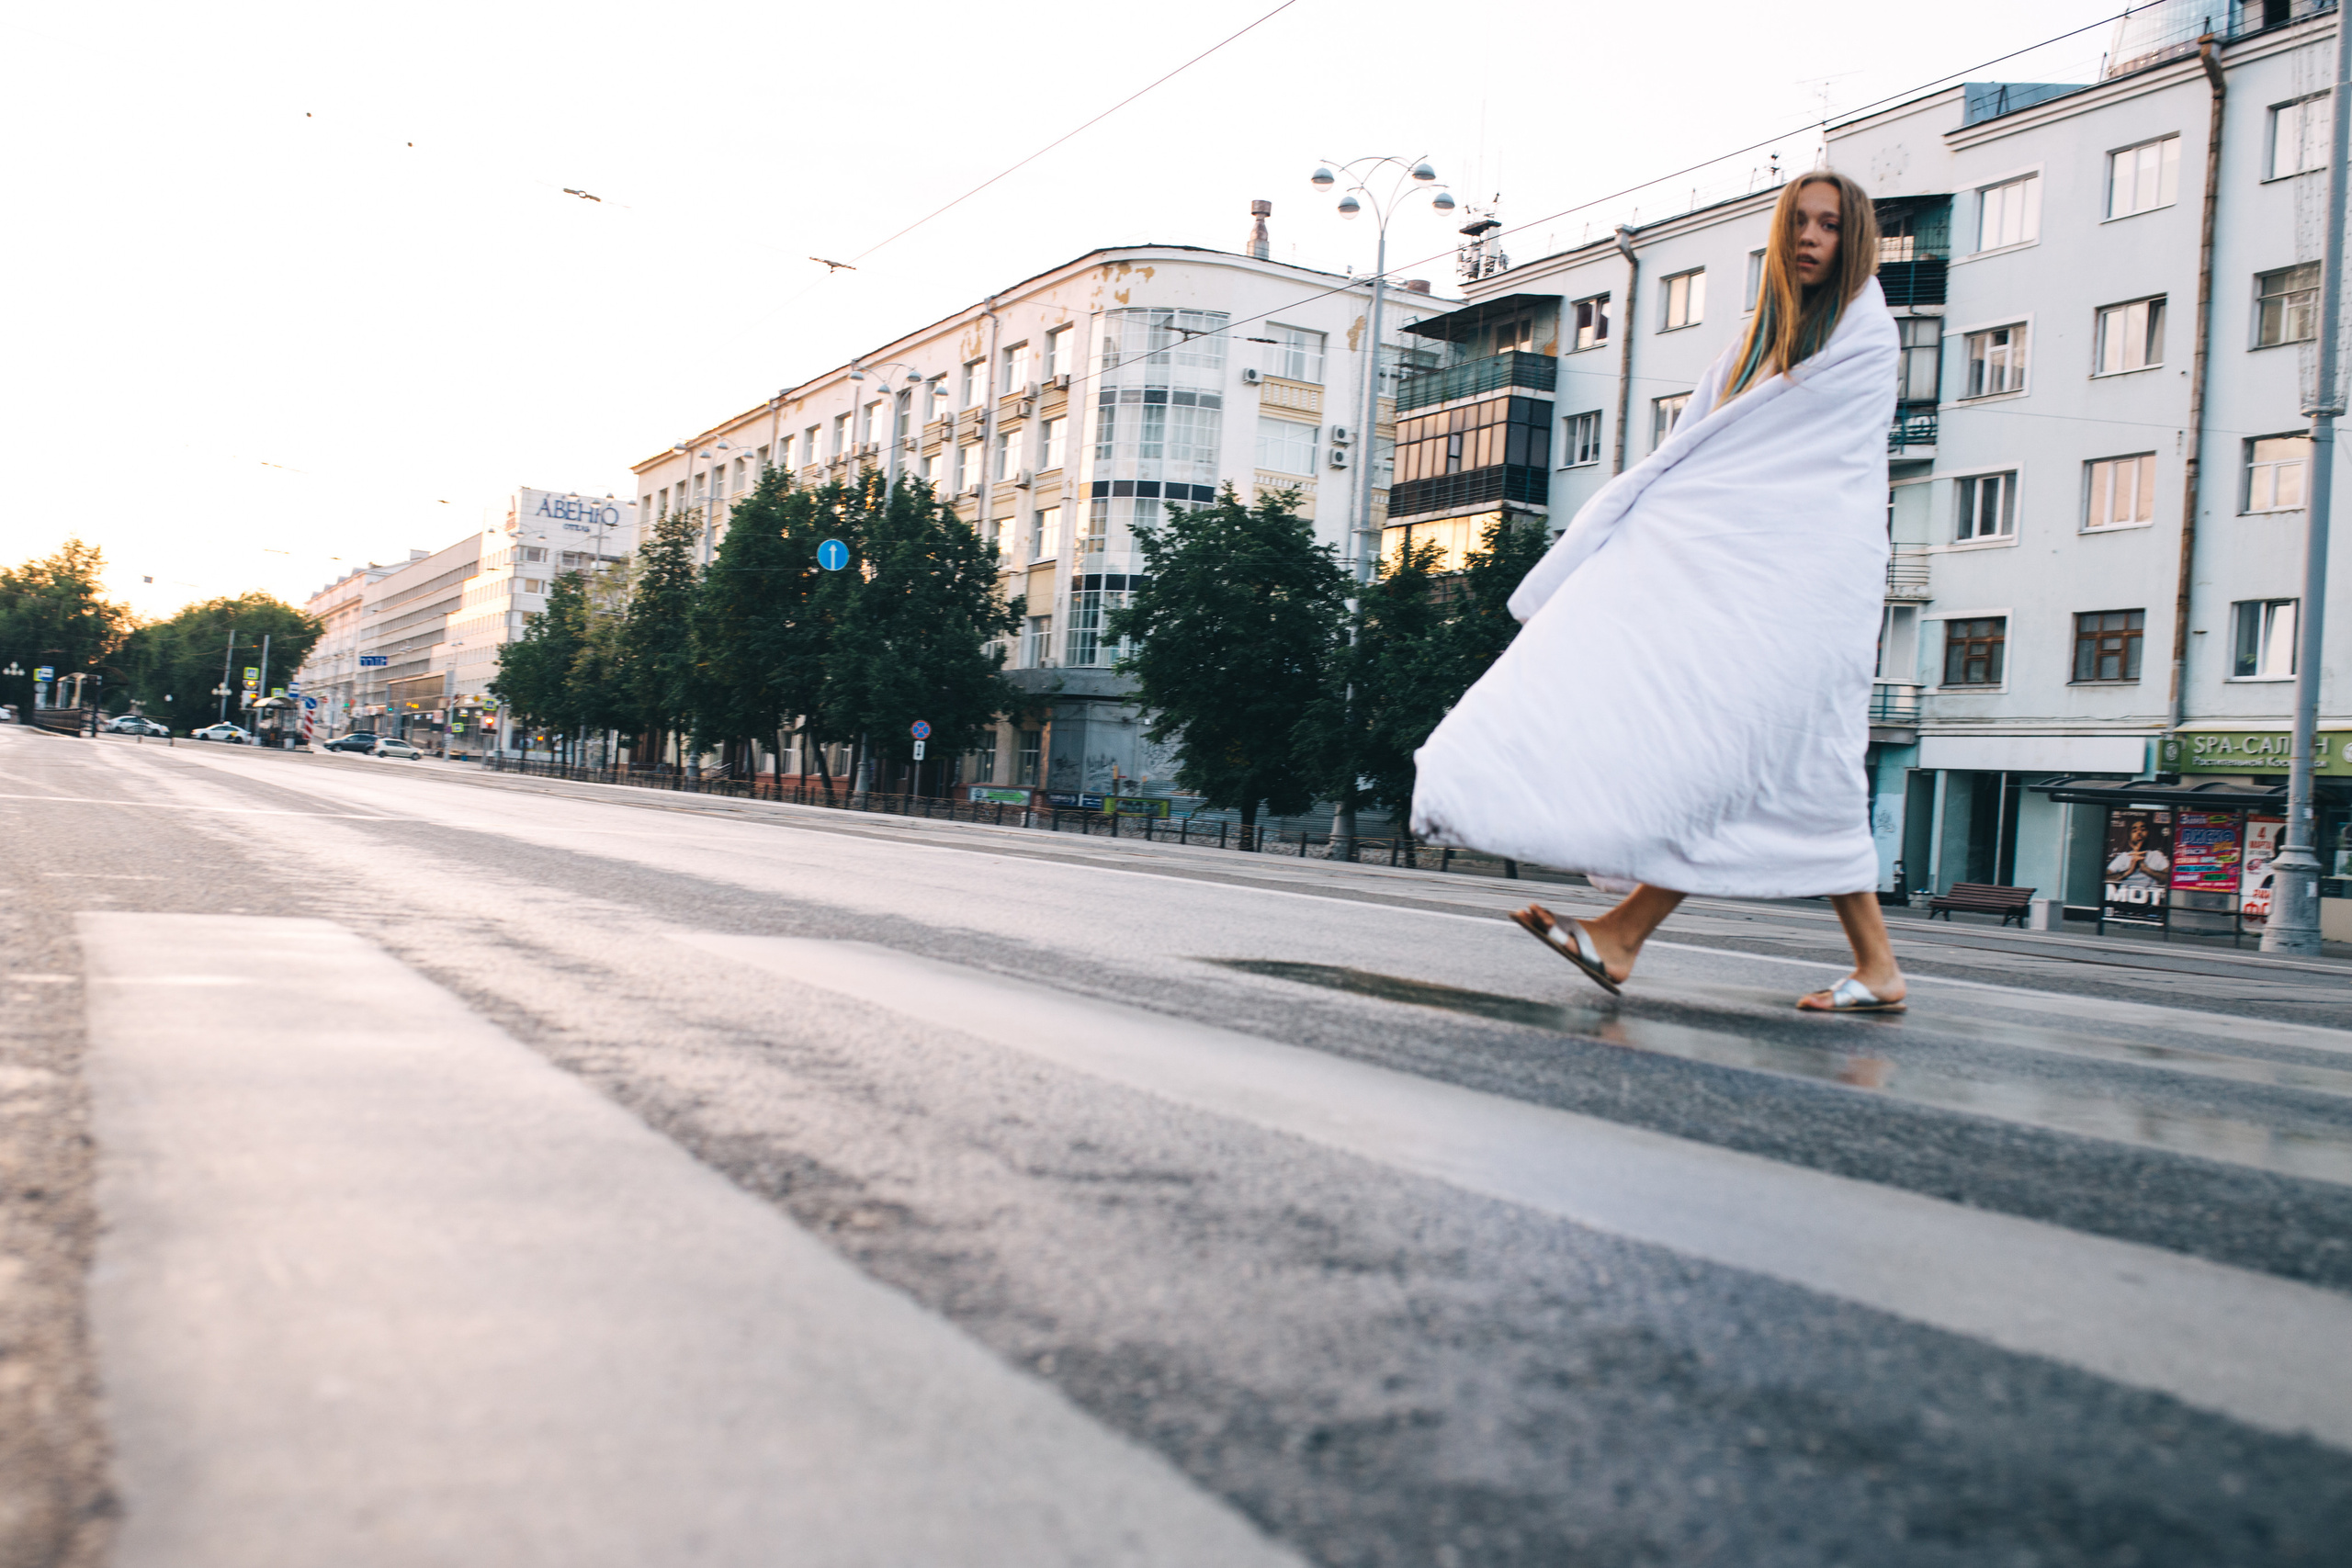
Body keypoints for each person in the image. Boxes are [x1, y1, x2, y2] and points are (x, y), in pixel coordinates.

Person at [1408, 171, 1905, 1013]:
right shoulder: (1758, 341)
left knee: (1764, 757)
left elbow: (1807, 463)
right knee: (1772, 763)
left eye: (1829, 225)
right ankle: (1640, 936)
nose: (1810, 237)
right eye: (1799, 222)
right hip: (1743, 577)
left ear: (1853, 239)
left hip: (1811, 577)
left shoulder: (1867, 341)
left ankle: (1632, 934)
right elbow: (1702, 454)